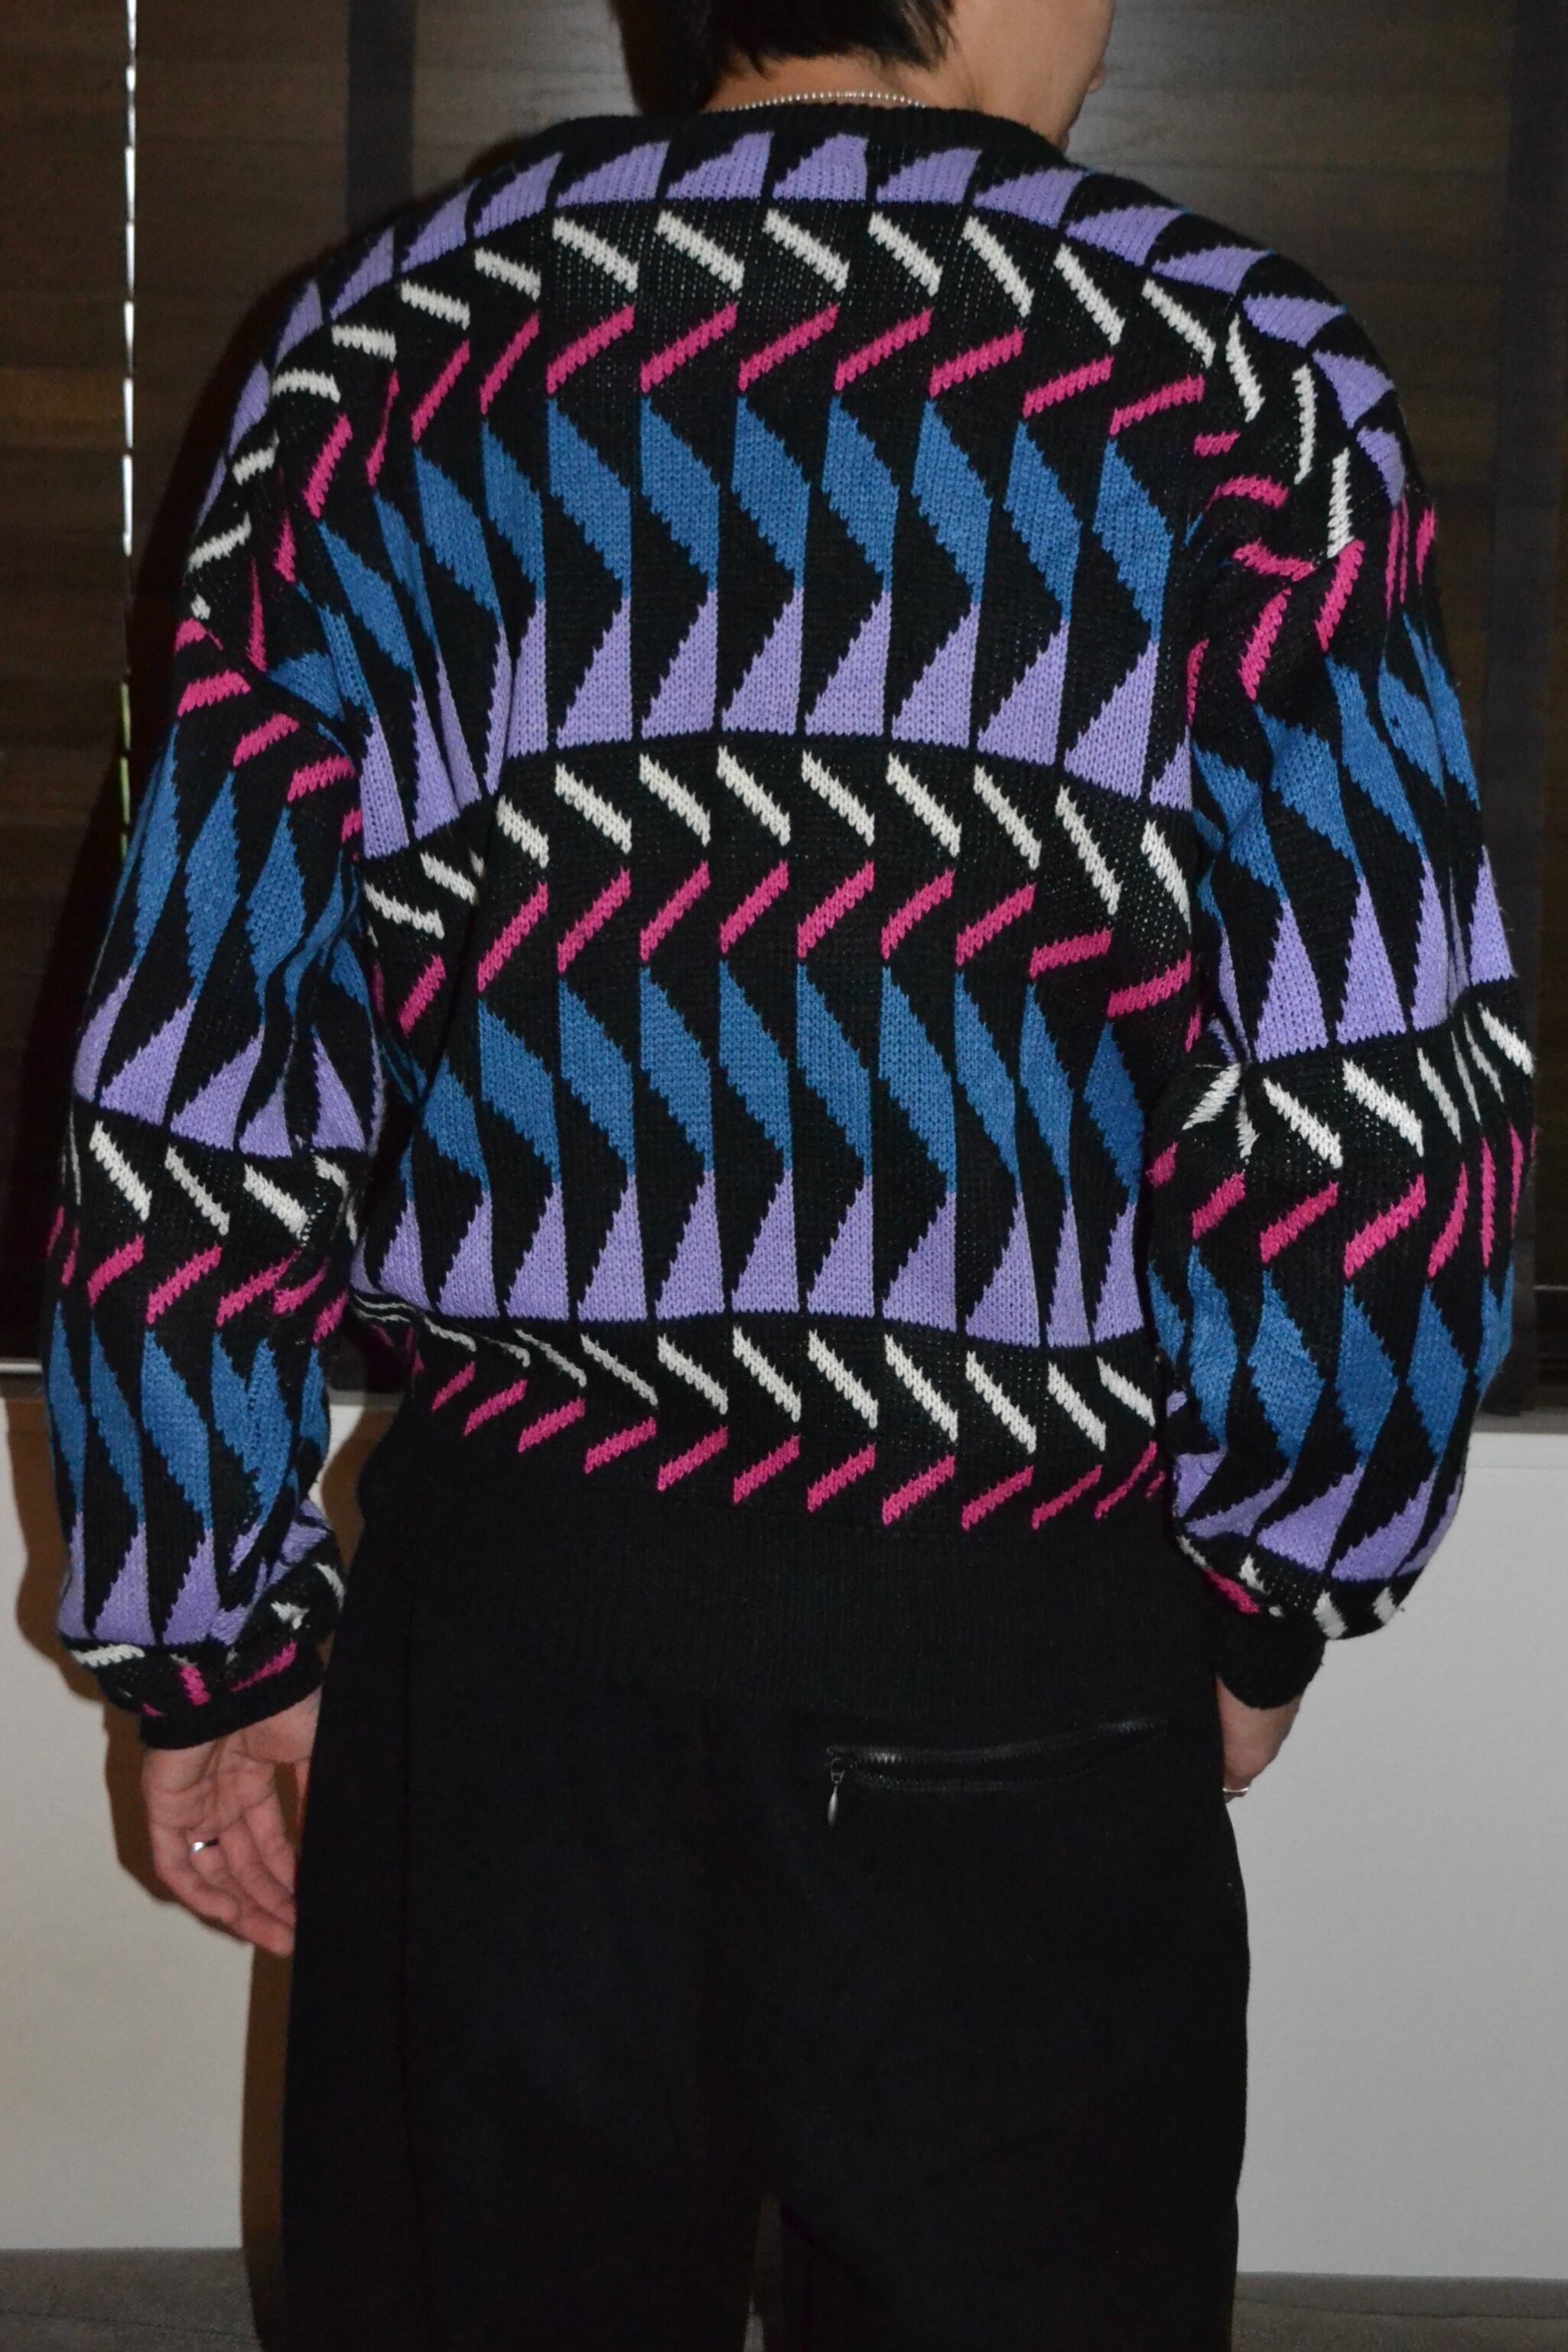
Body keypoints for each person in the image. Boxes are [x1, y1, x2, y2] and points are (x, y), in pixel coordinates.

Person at [44, 0, 1533, 2342]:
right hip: (1013, 1640)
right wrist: (1272, 1581)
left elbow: (203, 1060)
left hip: (509, 1647)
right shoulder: (1225, 379)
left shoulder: (381, 359)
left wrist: (198, 1630)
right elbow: (1374, 1104)